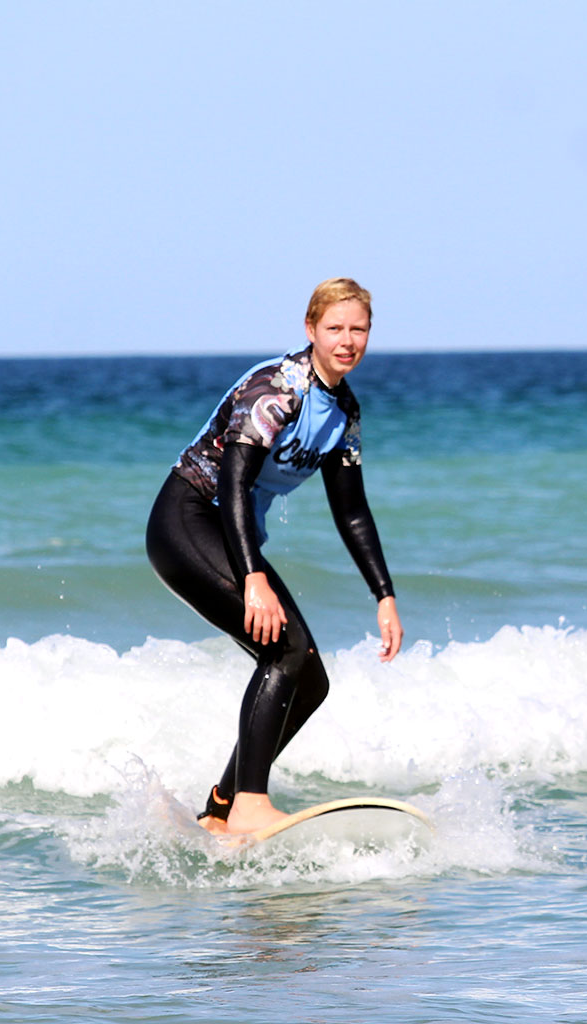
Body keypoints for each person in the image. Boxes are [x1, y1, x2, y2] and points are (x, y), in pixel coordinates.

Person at [146, 277, 403, 835]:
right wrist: (253, 578)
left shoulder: (344, 413)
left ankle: (221, 807)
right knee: (286, 652)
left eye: (358, 329)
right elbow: (234, 484)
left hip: (226, 536)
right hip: (187, 522)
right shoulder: (277, 389)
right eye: (334, 328)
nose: (347, 340)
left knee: (310, 680)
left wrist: (384, 595)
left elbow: (352, 510)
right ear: (311, 330)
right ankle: (249, 804)